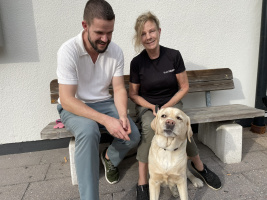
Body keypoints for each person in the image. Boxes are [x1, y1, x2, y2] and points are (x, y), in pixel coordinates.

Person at [129, 11, 222, 200]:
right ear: (140, 37)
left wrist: (166, 109)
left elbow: (184, 87)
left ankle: (200, 168)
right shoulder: (137, 63)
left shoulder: (173, 56)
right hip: (148, 106)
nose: (148, 37)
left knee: (182, 128)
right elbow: (133, 94)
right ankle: (142, 182)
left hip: (172, 102)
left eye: (151, 31)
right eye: (144, 34)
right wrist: (154, 108)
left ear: (159, 31)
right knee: (149, 128)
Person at [56, 1, 140, 199]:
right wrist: (105, 120)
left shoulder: (116, 51)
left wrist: (121, 114)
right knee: (88, 130)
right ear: (85, 26)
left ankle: (108, 157)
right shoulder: (68, 51)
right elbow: (67, 100)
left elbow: (119, 88)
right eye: (100, 32)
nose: (105, 39)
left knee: (133, 135)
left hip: (104, 103)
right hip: (74, 106)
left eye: (110, 32)